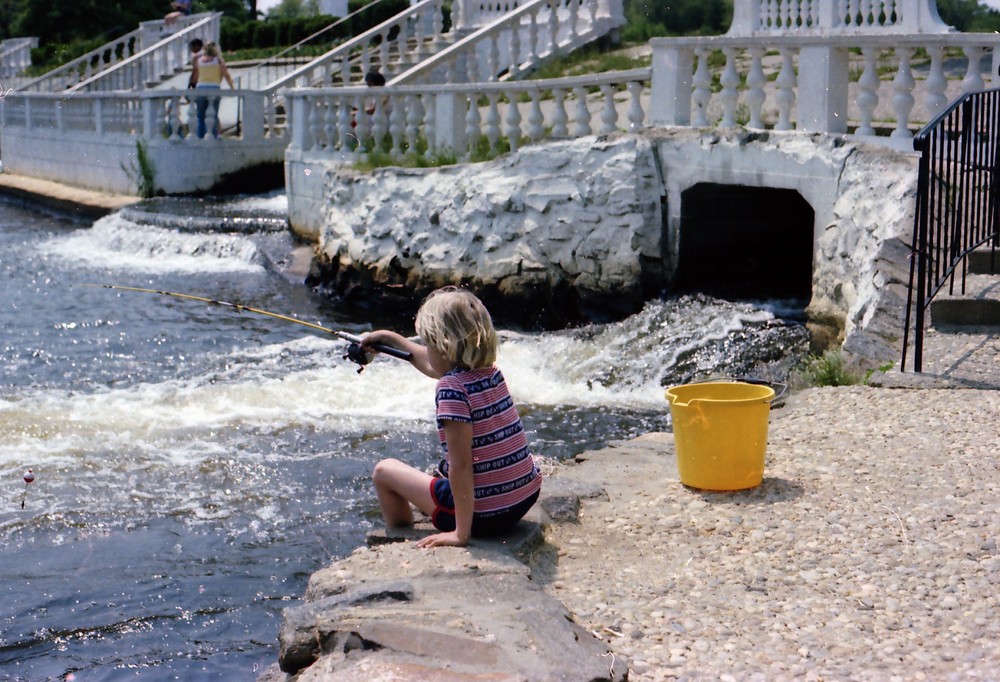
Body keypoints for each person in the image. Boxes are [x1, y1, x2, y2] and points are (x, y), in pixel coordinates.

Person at [363, 287, 542, 549]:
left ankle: (399, 538)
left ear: (444, 347)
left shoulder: (450, 388)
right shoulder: (490, 374)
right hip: (523, 499)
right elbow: (428, 361)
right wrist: (389, 339)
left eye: (428, 342)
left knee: (384, 472)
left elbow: (462, 466)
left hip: (487, 517)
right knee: (440, 472)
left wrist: (461, 533)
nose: (425, 349)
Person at [190, 42, 234, 139]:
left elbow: (195, 77)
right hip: (214, 88)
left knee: (200, 116)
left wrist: (192, 88)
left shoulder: (199, 60)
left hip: (201, 88)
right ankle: (212, 137)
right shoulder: (218, 60)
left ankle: (200, 137)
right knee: (213, 115)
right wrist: (232, 88)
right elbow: (226, 75)